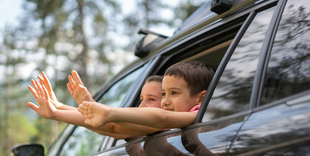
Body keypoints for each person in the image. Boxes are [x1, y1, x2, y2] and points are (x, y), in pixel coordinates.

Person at [78, 61, 214, 130]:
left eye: (174, 93)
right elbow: (117, 128)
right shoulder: (175, 121)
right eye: (163, 94)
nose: (165, 101)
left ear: (201, 98)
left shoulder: (200, 112)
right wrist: (58, 111)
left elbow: (163, 118)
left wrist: (110, 113)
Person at [27, 71, 163, 139]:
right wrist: (58, 106)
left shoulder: (165, 122)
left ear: (167, 102)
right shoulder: (157, 127)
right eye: (141, 99)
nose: (141, 105)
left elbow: (111, 126)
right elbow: (103, 126)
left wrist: (56, 113)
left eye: (151, 99)